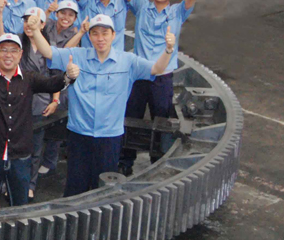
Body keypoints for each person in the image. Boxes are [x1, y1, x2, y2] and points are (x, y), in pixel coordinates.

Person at [29, 13, 177, 197]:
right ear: (90, 36)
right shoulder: (77, 56)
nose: (100, 38)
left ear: (113, 35)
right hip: (79, 133)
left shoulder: (128, 61)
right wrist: (35, 30)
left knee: (103, 189)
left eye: (105, 33)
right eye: (95, 33)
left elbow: (157, 69)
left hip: (110, 136)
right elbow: (49, 52)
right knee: (76, 186)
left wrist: (168, 50)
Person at [118, 0, 212, 174]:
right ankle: (125, 161)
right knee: (131, 116)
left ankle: (156, 161)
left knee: (161, 120)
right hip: (139, 74)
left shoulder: (177, 12)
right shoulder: (142, 7)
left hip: (162, 77)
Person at [0, 32, 70, 209]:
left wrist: (68, 77)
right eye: (4, 50)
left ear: (20, 54)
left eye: (13, 50)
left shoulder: (30, 78)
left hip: (21, 154)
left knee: (20, 205)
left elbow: (52, 84)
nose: (8, 55)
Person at [35, 0, 89, 177]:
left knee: (56, 123)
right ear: (57, 13)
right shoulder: (49, 24)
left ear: (75, 18)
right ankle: (37, 157)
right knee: (39, 119)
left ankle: (50, 161)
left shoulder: (75, 34)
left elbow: (64, 52)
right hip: (43, 77)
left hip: (61, 81)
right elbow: (36, 28)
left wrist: (81, 32)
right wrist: (47, 12)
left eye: (71, 15)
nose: (66, 17)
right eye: (63, 13)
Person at [13, 7, 62, 200]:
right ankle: (11, 183)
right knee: (15, 146)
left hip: (40, 102)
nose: (29, 24)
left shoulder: (49, 46)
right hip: (18, 102)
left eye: (34, 21)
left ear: (42, 25)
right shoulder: (16, 42)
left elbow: (56, 76)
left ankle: (30, 184)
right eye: (26, 20)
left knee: (35, 147)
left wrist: (55, 100)